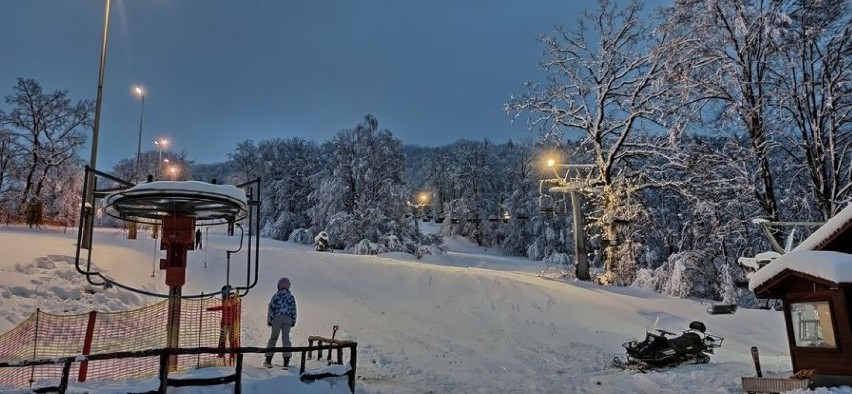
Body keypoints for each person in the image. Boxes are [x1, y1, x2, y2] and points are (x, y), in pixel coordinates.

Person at [264, 277, 297, 368]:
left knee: (273, 337)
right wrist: (293, 321)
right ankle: (286, 359)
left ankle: (268, 358)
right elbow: (293, 310)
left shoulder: (276, 296)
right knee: (286, 338)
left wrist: (270, 320)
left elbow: (271, 308)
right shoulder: (291, 297)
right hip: (288, 319)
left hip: (277, 318)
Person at [206, 285, 241, 364]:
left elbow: (226, 306)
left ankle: (233, 355)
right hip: (224, 323)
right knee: (222, 340)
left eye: (224, 292)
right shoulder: (226, 299)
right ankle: (221, 355)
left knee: (232, 340)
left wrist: (211, 309)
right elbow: (224, 306)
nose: (223, 294)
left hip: (231, 323)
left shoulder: (233, 299)